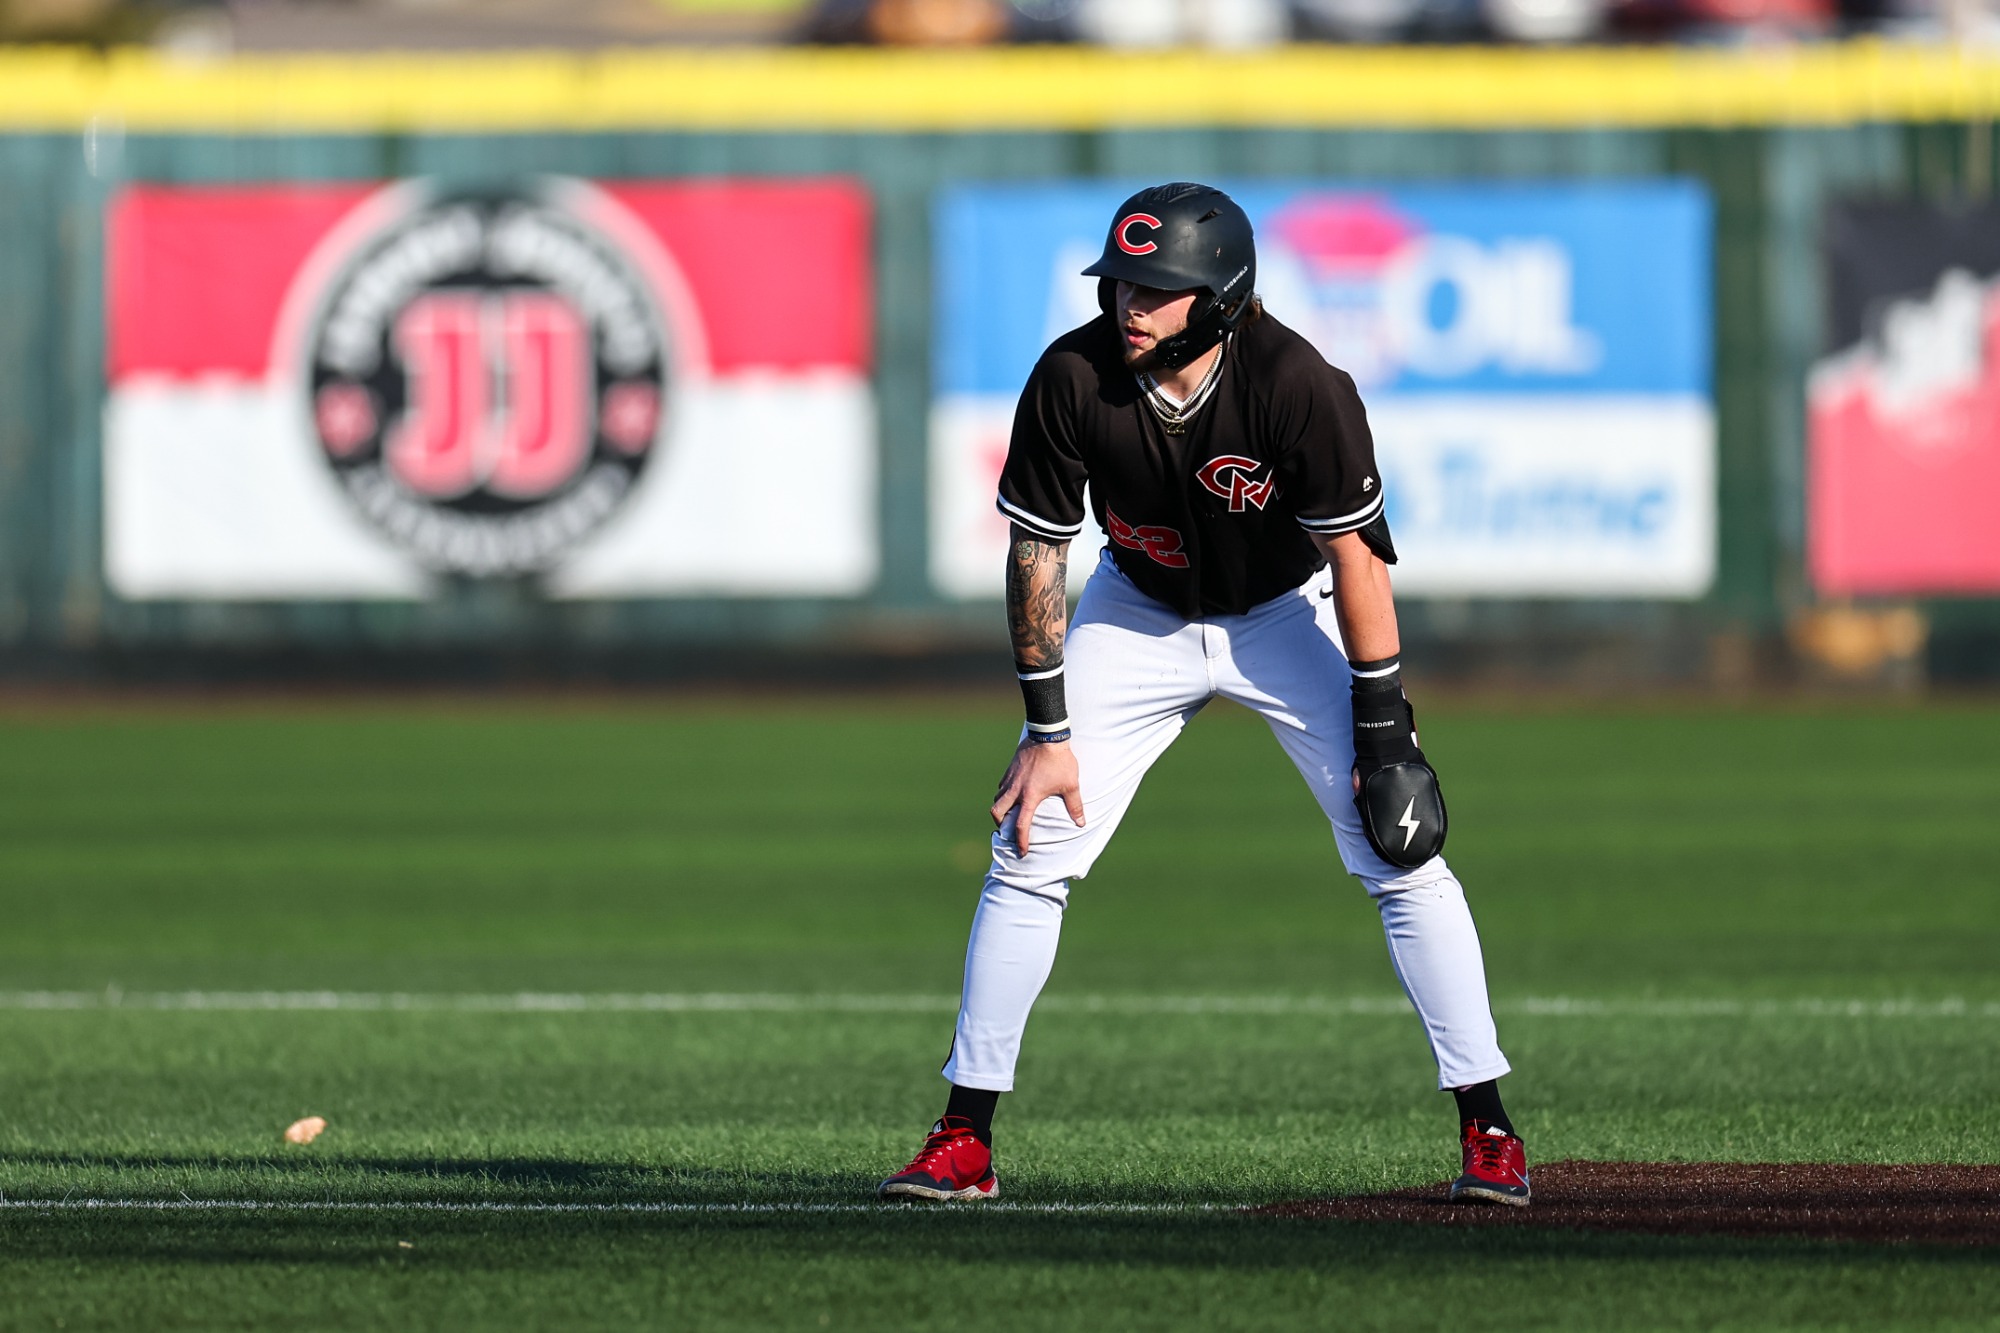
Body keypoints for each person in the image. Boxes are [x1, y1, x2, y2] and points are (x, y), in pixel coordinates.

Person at [879, 182, 1529, 1207]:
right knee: (1030, 845)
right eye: (1121, 282)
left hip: (1280, 614)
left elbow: (1355, 561)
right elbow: (1036, 552)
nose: (1128, 303)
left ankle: (1487, 1125)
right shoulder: (1071, 377)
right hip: (1136, 611)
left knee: (1401, 848)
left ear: (1220, 296)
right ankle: (964, 1137)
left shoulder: (1295, 382)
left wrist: (1384, 729)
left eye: (1157, 288)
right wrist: (1046, 728)